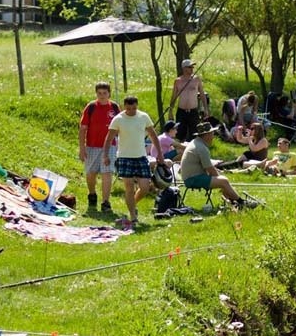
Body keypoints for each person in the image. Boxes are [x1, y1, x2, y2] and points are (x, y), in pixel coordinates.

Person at [104, 96, 162, 227]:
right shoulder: (118, 119)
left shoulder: (143, 117)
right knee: (129, 186)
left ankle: (132, 204)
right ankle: (133, 216)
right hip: (124, 157)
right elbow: (109, 139)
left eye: (134, 108)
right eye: (128, 108)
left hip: (141, 157)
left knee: (145, 188)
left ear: (137, 106)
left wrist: (160, 154)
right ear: (124, 107)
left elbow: (153, 136)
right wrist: (105, 155)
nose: (131, 111)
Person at [179, 121, 255, 207]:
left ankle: (233, 201)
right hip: (193, 179)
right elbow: (210, 169)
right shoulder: (201, 148)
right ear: (206, 135)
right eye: (212, 133)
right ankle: (241, 203)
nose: (213, 136)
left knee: (222, 180)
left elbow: (207, 166)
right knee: (224, 181)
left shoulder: (196, 143)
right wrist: (220, 180)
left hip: (191, 177)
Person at [79, 81, 120, 214]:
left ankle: (106, 202)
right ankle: (92, 194)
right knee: (91, 173)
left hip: (109, 147)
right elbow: (83, 128)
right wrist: (82, 147)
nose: (102, 96)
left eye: (105, 93)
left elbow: (120, 126)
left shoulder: (114, 107)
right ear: (96, 94)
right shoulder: (91, 107)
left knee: (107, 173)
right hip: (92, 145)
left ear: (109, 94)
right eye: (99, 93)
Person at [168, 59, 205, 141]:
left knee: (195, 134)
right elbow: (173, 97)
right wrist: (170, 111)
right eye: (190, 67)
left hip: (193, 111)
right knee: (179, 134)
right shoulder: (178, 81)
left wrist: (205, 109)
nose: (192, 69)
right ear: (184, 68)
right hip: (181, 112)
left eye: (192, 67)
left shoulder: (197, 79)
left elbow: (202, 94)